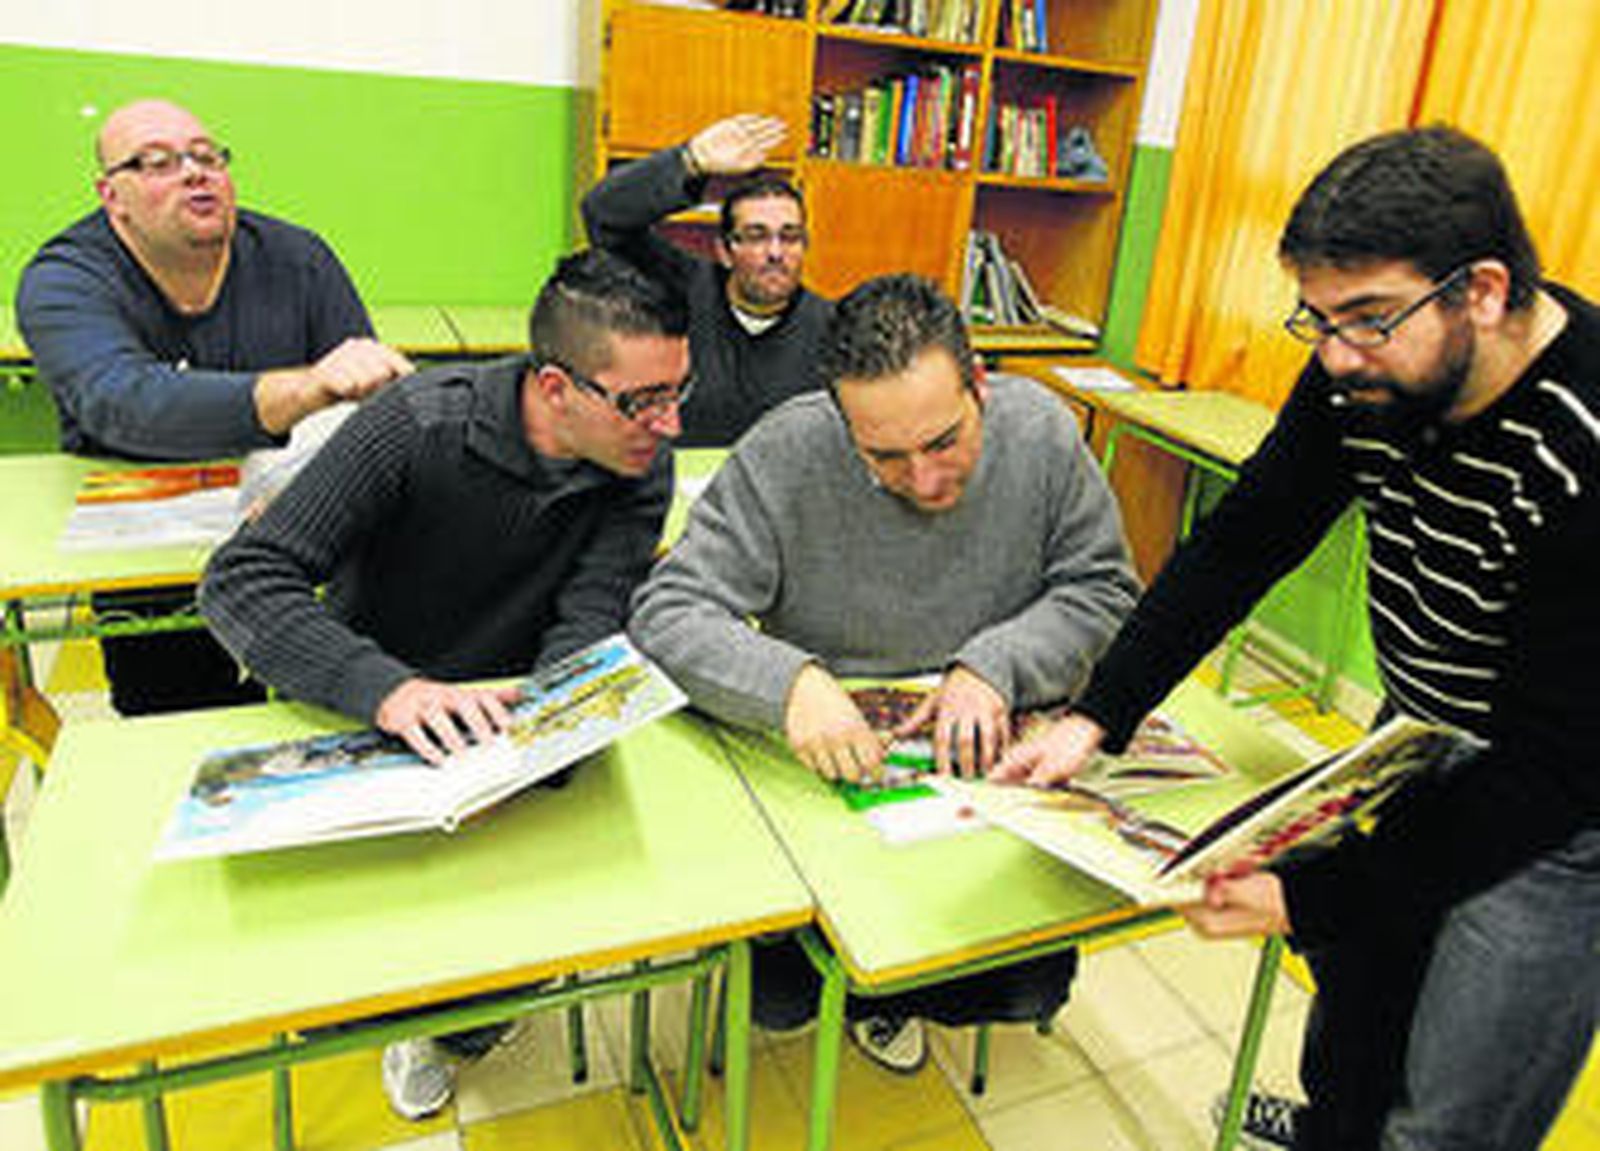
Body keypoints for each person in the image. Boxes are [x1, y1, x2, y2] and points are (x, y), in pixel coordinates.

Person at [998, 126, 1599, 1151]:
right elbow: (1245, 537)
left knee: (1450, 1117)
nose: (1332, 357)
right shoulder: (1360, 366)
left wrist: (1315, 888)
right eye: (1316, 320)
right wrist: (1101, 708)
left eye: (1366, 320)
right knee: (1352, 1035)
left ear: (1483, 289)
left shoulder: (1583, 441)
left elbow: (1552, 766)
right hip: (1415, 730)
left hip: (1562, 803)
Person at [201, 247, 690, 1120]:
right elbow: (242, 580)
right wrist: (392, 691)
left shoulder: (639, 461)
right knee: (353, 965)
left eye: (676, 392)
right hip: (369, 711)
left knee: (529, 929)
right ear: (553, 388)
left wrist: (533, 748)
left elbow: (586, 624)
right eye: (643, 399)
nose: (670, 424)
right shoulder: (415, 425)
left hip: (503, 734)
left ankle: (461, 1022)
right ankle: (396, 1015)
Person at [630, 274, 1139, 1072]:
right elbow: (668, 611)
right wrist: (790, 681)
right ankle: (865, 998)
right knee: (783, 994)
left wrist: (996, 662)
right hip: (821, 779)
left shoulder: (1040, 430)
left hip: (987, 776)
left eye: (945, 442)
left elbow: (1104, 588)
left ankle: (892, 1004)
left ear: (979, 383)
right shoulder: (788, 448)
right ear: (840, 420)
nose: (927, 481)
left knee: (1024, 987)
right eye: (885, 457)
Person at [15, 98, 413, 715]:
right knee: (177, 721)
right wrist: (307, 388)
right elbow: (122, 403)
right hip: (147, 558)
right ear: (111, 195)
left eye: (206, 156)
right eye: (157, 163)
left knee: (334, 700)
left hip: (296, 530)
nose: (194, 172)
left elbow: (365, 410)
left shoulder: (298, 259)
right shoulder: (65, 279)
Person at [582, 112, 832, 446]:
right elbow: (603, 215)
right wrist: (690, 160)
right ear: (725, 251)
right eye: (756, 236)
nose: (775, 252)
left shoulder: (833, 328)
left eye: (789, 237)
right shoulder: (679, 286)